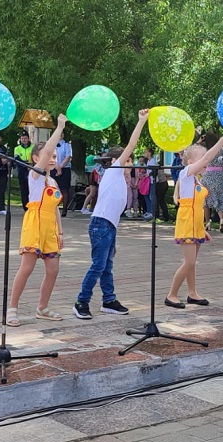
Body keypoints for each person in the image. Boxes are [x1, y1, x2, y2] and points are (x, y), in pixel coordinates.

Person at [73, 109, 149, 319]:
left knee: (107, 266)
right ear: (117, 160)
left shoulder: (122, 180)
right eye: (129, 160)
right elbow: (131, 144)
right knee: (98, 265)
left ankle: (108, 300)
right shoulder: (114, 170)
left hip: (109, 226)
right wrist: (141, 121)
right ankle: (81, 302)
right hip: (101, 224)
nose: (131, 163)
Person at [5, 117, 69, 325]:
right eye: (48, 156)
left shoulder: (53, 181)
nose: (52, 159)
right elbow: (48, 150)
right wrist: (60, 127)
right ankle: (12, 309)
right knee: (27, 268)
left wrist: (60, 232)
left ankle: (42, 307)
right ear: (35, 158)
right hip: (34, 223)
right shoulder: (35, 175)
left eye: (54, 156)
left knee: (53, 269)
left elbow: (56, 208)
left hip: (50, 226)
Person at [165, 133, 223, 308]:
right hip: (187, 223)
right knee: (188, 262)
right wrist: (221, 141)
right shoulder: (186, 174)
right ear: (190, 162)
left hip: (195, 224)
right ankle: (171, 295)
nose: (205, 161)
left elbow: (198, 207)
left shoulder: (196, 179)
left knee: (192, 263)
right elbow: (208, 158)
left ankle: (192, 292)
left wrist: (201, 229)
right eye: (201, 158)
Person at [200, 133, 223, 233]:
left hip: (208, 175)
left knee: (206, 200)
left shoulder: (205, 150)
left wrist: (200, 140)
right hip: (219, 175)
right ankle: (221, 219)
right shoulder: (222, 149)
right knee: (220, 198)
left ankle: (207, 223)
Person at [52, 129, 73, 217]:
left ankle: (64, 210)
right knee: (53, 189)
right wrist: (57, 167)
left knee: (64, 189)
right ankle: (53, 208)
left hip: (65, 169)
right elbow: (51, 156)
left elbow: (68, 157)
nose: (59, 135)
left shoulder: (67, 145)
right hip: (54, 168)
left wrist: (60, 167)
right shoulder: (52, 145)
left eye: (61, 133)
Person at [13, 130, 34, 211]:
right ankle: (25, 207)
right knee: (23, 190)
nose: (24, 140)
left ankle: (32, 206)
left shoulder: (33, 147)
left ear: (28, 139)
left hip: (31, 170)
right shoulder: (17, 148)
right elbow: (17, 159)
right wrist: (26, 165)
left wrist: (31, 165)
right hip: (22, 170)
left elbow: (35, 157)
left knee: (31, 189)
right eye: (22, 138)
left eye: (25, 138)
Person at [152, 151, 171, 221]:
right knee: (161, 200)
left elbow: (154, 175)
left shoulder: (155, 166)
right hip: (164, 183)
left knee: (160, 200)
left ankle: (163, 215)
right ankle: (165, 215)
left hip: (161, 184)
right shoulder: (158, 166)